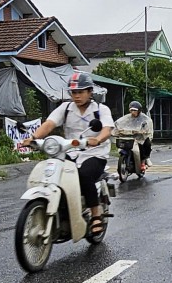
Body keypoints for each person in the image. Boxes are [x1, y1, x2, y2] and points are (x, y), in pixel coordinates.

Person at [23, 71, 114, 237]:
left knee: (84, 175)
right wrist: (33, 138)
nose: (77, 96)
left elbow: (107, 129)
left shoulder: (101, 109)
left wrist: (97, 139)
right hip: (70, 151)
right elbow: (49, 124)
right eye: (74, 92)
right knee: (53, 174)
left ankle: (95, 214)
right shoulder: (65, 108)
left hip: (95, 153)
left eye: (80, 92)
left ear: (89, 92)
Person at [113, 100, 154, 168]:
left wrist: (143, 131)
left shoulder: (145, 118)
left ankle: (145, 159)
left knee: (147, 144)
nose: (133, 112)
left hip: (140, 138)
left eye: (135, 110)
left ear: (139, 111)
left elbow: (148, 128)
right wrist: (117, 130)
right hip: (128, 137)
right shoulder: (127, 118)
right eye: (131, 110)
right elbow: (118, 123)